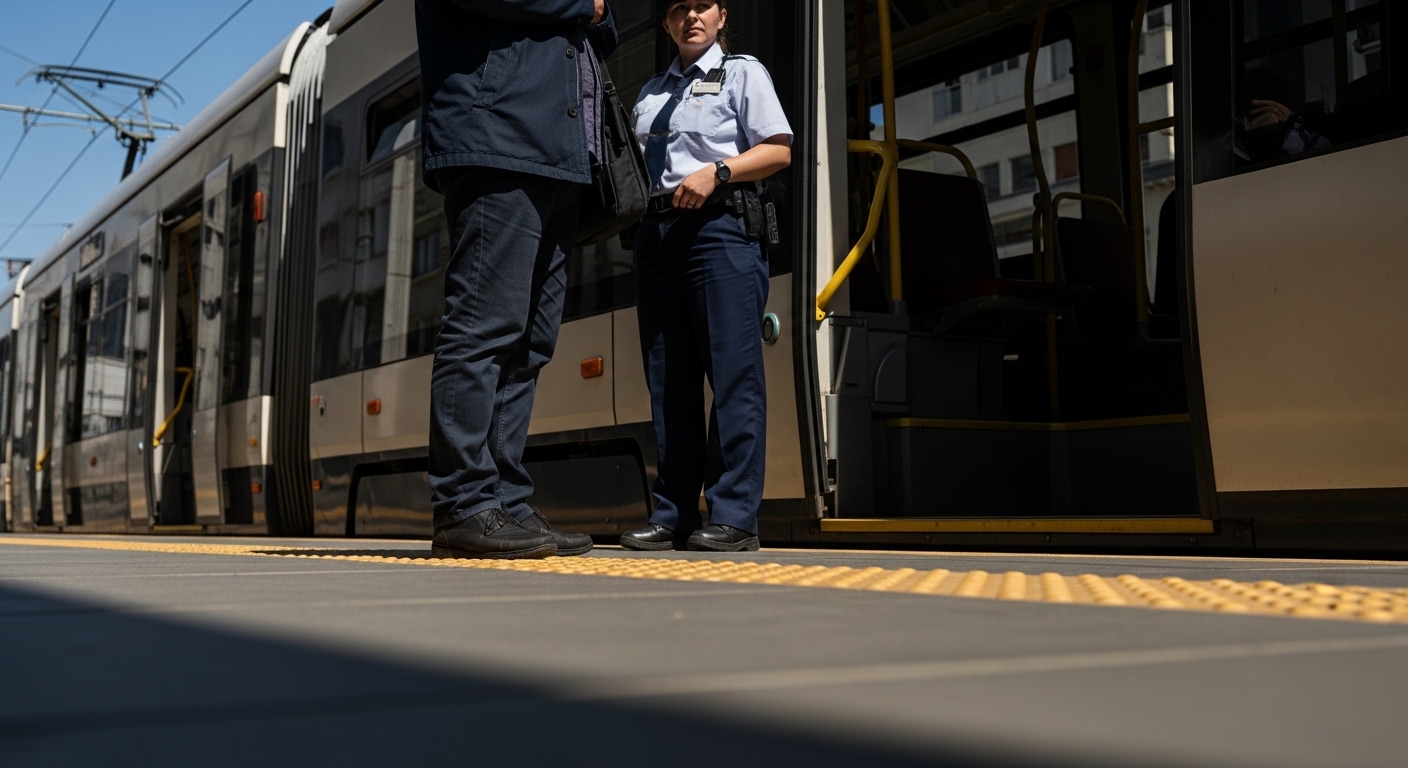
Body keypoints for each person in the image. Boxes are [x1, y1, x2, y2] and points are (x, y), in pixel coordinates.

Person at [415, 0, 617, 559]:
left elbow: (604, 27)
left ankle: (503, 498)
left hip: (557, 152)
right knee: (485, 326)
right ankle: (464, 503)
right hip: (496, 136)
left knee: (530, 340)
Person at [618, 0, 792, 553]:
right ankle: (672, 515)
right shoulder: (649, 93)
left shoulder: (743, 72)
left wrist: (716, 172)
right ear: (668, 24)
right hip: (657, 236)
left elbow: (778, 151)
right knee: (669, 383)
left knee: (733, 374)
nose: (691, 16)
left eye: (702, 6)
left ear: (720, 17)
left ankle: (735, 516)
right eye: (679, 9)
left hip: (720, 231)